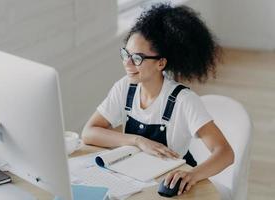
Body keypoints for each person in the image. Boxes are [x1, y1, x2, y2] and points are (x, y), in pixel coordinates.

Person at [82, 3, 234, 196]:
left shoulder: (184, 100)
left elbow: (225, 153)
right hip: (135, 181)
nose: (128, 64)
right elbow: (89, 132)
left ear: (161, 63)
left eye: (137, 58)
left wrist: (191, 175)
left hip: (172, 188)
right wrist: (138, 141)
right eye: (126, 55)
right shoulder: (125, 87)